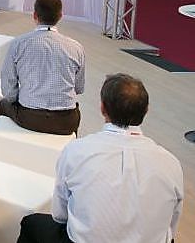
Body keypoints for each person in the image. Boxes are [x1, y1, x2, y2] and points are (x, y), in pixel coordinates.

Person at [17, 74, 183, 243]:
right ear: (146, 110)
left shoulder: (77, 151)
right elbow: (171, 225)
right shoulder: (171, 163)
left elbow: (60, 216)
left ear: (102, 108)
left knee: (31, 223)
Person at [0, 0, 85, 135]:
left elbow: (8, 86)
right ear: (60, 16)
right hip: (66, 120)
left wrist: (20, 98)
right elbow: (79, 88)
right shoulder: (76, 47)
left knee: (3, 104)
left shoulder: (19, 44)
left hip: (29, 116)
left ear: (34, 15)